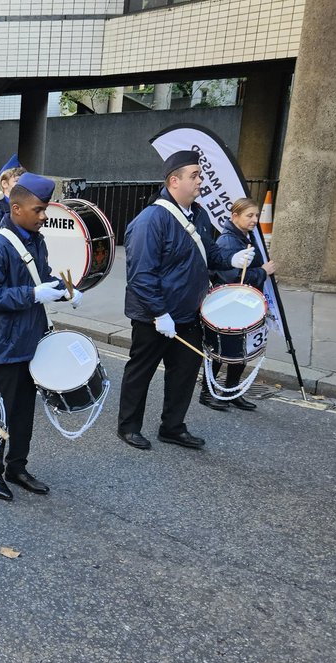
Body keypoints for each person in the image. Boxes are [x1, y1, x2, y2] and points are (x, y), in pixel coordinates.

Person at [116, 150, 255, 451]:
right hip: (155, 317)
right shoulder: (152, 219)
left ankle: (173, 427)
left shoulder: (200, 214)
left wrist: (232, 256)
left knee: (184, 373)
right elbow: (141, 275)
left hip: (189, 313)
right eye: (194, 175)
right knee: (141, 371)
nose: (200, 180)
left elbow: (210, 252)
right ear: (173, 180)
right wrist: (159, 313)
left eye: (200, 174)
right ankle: (128, 426)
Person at [0, 173, 83, 501]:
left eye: (45, 208)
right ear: (16, 208)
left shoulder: (37, 239)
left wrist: (66, 292)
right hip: (4, 343)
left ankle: (17, 466)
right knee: (2, 411)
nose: (44, 215)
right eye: (38, 209)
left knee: (24, 409)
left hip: (30, 339)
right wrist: (33, 294)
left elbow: (42, 278)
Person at [201, 197, 278, 412]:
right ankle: (207, 393)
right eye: (249, 215)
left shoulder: (247, 237)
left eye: (256, 215)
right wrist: (263, 272)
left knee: (241, 351)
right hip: (227, 305)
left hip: (242, 305)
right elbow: (230, 277)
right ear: (235, 216)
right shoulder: (228, 241)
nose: (255, 220)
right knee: (220, 351)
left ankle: (231, 392)